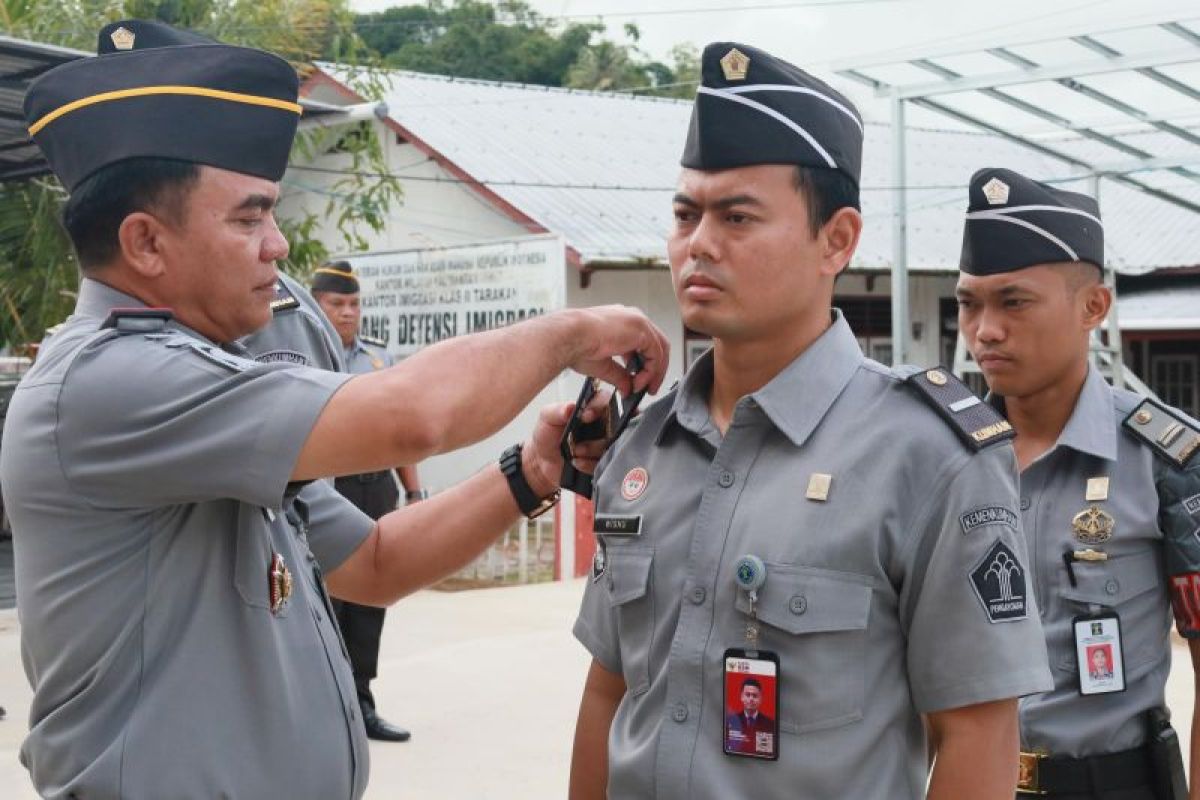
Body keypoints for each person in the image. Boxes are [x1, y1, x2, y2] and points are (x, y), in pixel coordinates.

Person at [2, 19, 668, 799]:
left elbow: (375, 564)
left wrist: (530, 472)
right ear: (146, 244)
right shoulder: (113, 380)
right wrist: (573, 329)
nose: (278, 247)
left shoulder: (202, 400)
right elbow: (409, 416)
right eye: (249, 218)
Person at [568, 42, 1053, 800]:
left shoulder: (927, 455)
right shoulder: (646, 445)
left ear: (838, 239)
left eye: (736, 216)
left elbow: (978, 734)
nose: (699, 243)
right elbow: (609, 692)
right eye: (685, 213)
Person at [955, 167, 1200, 799]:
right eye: (968, 303)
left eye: (1013, 301)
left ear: (1093, 307)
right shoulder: (942, 456)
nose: (985, 330)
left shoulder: (1166, 461)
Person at [311, 261, 424, 742]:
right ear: (317, 305)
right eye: (337, 304)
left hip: (374, 487)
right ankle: (320, 710)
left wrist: (415, 491)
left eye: (354, 304)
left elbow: (401, 433)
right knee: (326, 600)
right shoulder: (304, 356)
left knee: (371, 600)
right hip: (324, 487)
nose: (347, 313)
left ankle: (361, 704)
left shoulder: (378, 360)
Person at [724, 678, 774, 755]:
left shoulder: (770, 724)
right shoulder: (731, 721)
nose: (751, 699)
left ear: (760, 698)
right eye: (747, 695)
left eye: (755, 696)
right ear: (742, 697)